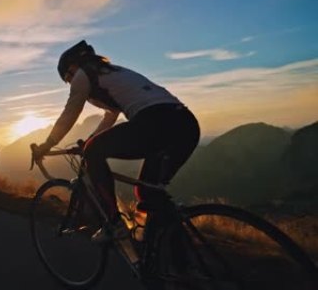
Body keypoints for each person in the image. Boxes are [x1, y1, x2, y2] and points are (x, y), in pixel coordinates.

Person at [32, 40, 200, 242]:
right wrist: (90, 141)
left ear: (73, 67)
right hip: (185, 124)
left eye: (67, 77)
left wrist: (47, 144)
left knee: (94, 152)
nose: (70, 82)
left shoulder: (83, 75)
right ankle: (179, 262)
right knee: (148, 192)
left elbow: (70, 113)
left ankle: (114, 223)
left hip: (156, 121)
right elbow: (110, 116)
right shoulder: (111, 74)